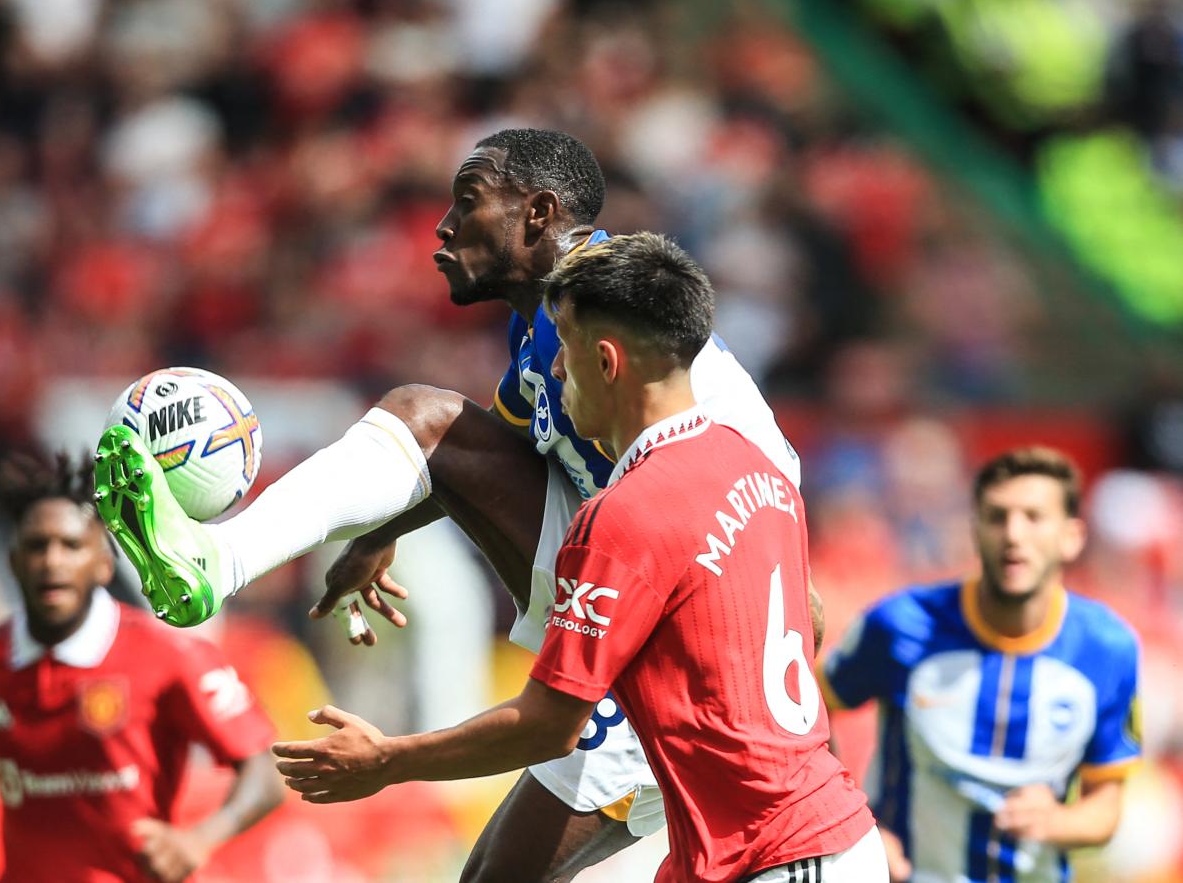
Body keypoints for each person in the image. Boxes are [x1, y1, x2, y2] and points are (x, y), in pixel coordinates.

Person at [94, 128, 814, 879]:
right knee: (427, 418)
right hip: (622, 608)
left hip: (668, 659)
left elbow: (768, 524)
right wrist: (382, 530)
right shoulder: (549, 325)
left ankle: (218, 557)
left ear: (537, 214)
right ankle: (215, 559)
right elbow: (477, 449)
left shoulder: (641, 335)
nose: (443, 227)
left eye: (468, 201)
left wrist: (389, 760)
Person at [273, 232, 885, 881]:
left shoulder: (626, 516)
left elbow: (546, 727)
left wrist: (387, 759)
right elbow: (805, 628)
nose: (554, 372)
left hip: (781, 857)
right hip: (804, 836)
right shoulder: (760, 472)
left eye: (563, 348)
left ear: (606, 360)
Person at [0, 453, 282, 883]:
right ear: (13, 561)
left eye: (71, 545)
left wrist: (199, 840)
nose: (52, 561)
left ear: (103, 564)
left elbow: (263, 771)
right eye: (37, 546)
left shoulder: (169, 654)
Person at [820, 446, 1142, 882]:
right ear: (974, 530)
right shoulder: (901, 624)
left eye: (1033, 517)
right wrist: (853, 822)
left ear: (1072, 536)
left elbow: (1105, 805)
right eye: (997, 516)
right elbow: (806, 714)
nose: (1013, 534)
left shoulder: (1108, 649)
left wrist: (1056, 821)